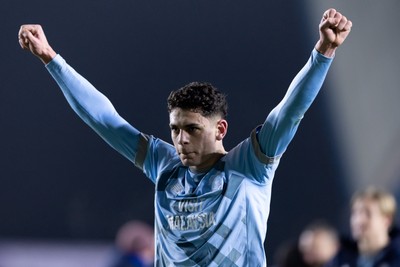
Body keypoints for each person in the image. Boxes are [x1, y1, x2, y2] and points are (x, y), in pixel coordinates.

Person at [18, 8, 352, 266]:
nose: (180, 140)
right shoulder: (164, 165)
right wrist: (52, 59)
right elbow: (106, 121)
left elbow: (289, 111)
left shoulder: (250, 166)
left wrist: (322, 53)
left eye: (192, 129)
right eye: (175, 129)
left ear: (220, 130)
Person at [326, 186, 400, 267]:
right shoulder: (340, 259)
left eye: (368, 213)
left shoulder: (396, 258)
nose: (359, 220)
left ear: (386, 221)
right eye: (355, 213)